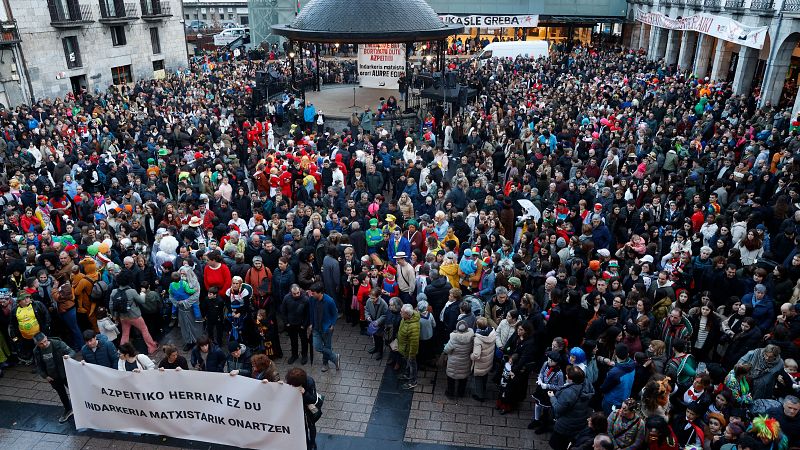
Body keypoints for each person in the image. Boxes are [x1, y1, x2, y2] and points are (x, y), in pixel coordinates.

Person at [549, 365, 595, 450]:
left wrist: (552, 397)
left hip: (565, 426)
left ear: (572, 379)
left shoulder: (569, 393)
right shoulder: (587, 384)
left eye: (567, 375)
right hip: (579, 423)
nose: (566, 375)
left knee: (557, 445)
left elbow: (558, 409)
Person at [32, 332, 74, 423]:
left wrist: (68, 356)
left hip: (65, 373)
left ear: (46, 338)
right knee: (62, 394)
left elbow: (71, 351)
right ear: (37, 344)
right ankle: (68, 409)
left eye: (45, 341)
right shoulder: (37, 351)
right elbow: (39, 365)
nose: (44, 344)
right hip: (53, 377)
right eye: (41, 344)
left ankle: (82, 408)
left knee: (74, 391)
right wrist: (45, 376)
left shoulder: (57, 343)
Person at [307, 283, 340, 372]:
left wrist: (332, 324)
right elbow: (311, 311)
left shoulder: (329, 301)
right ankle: (334, 357)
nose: (311, 295)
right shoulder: (312, 299)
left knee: (327, 346)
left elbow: (335, 313)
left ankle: (325, 363)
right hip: (315, 327)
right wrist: (311, 324)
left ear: (320, 293)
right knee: (317, 346)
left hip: (326, 328)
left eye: (313, 293)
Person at [285, 367, 320, 450]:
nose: (292, 386)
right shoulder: (291, 381)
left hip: (308, 408)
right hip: (297, 407)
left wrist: (305, 393)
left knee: (311, 425)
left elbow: (313, 399)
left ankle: (312, 442)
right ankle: (305, 442)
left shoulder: (309, 381)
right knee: (302, 427)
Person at [443, 319, 474, 398]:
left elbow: (446, 349)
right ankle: (461, 393)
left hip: (453, 363)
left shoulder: (453, 338)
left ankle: (450, 393)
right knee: (463, 379)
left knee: (451, 379)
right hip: (465, 362)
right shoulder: (471, 338)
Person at [281, 284, 310, 365]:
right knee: (293, 341)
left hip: (301, 324)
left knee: (304, 341)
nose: (297, 295)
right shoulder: (286, 298)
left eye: (298, 293)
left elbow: (308, 314)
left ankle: (304, 355)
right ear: (291, 292)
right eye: (295, 293)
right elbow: (283, 311)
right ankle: (294, 355)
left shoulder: (305, 299)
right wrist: (286, 323)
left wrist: (304, 325)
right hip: (291, 324)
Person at [470, 316, 495, 402]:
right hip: (488, 361)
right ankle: (483, 389)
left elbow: (476, 355)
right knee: (484, 376)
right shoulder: (492, 333)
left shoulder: (478, 339)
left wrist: (471, 356)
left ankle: (480, 396)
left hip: (480, 364)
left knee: (478, 380)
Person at [397, 303, 420, 390]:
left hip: (409, 350)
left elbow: (414, 343)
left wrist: (412, 354)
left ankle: (413, 382)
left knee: (412, 364)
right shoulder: (406, 318)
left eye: (402, 312)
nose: (400, 313)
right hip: (405, 348)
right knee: (408, 362)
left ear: (407, 314)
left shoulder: (413, 326)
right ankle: (406, 374)